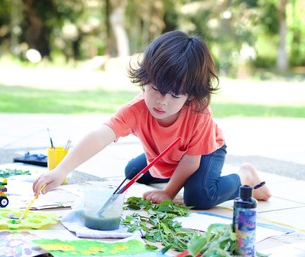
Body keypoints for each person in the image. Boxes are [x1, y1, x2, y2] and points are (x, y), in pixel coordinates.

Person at [32, 30, 271, 210]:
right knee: (131, 170)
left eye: (175, 95)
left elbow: (190, 162)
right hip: (170, 155)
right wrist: (61, 170)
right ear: (144, 80)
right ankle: (166, 172)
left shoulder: (198, 113)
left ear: (190, 95)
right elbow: (101, 135)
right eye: (155, 89)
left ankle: (245, 176)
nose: (162, 102)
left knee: (199, 196)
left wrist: (168, 192)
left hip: (205, 152)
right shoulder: (137, 109)